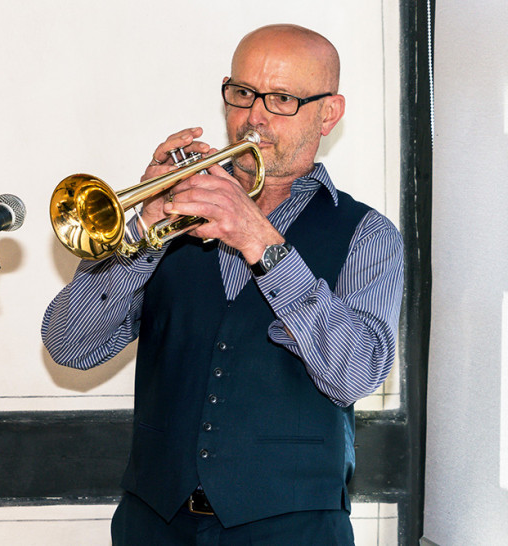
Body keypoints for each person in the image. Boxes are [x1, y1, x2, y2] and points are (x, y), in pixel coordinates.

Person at [42, 24, 403, 545]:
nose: (253, 116)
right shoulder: (170, 216)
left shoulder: (368, 235)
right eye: (241, 93)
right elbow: (69, 345)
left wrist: (262, 243)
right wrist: (143, 228)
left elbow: (358, 374)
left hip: (294, 530)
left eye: (280, 98)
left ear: (329, 113)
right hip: (154, 524)